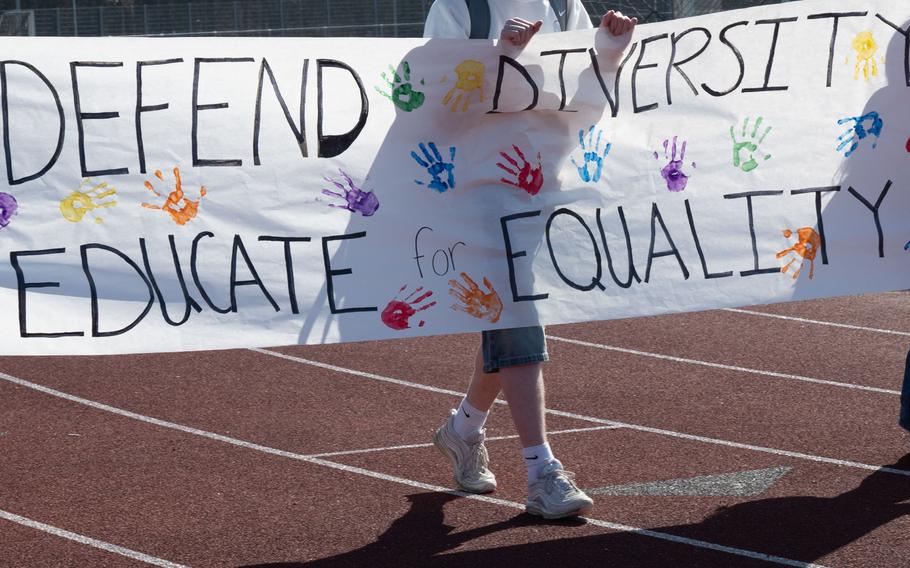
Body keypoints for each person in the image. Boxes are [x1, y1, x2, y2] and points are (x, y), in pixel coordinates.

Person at [425, 0, 637, 520]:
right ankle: (542, 472)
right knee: (519, 315)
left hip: (543, 182)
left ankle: (464, 428)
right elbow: (431, 104)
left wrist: (610, 49)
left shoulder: (566, 6)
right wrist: (500, 56)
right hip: (475, 187)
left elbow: (590, 95)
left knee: (509, 315)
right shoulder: (459, 8)